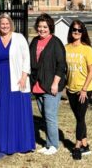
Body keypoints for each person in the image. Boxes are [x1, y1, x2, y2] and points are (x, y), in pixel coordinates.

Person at [0, 13, 33, 156]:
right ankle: (4, 145)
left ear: (11, 24)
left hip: (17, 80)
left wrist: (23, 77)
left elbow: (26, 58)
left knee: (18, 111)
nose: (4, 26)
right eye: (2, 24)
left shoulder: (19, 38)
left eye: (7, 23)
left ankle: (22, 144)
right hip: (1, 81)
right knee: (3, 112)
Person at [30, 12, 67, 156]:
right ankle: (48, 143)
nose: (42, 29)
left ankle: (54, 145)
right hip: (38, 85)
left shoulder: (55, 42)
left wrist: (55, 83)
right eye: (39, 27)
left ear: (50, 27)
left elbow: (61, 65)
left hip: (51, 85)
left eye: (45, 27)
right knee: (44, 116)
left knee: (50, 115)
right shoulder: (34, 41)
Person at [65, 19, 92, 159]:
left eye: (79, 30)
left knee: (80, 118)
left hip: (84, 90)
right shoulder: (66, 48)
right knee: (79, 117)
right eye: (74, 30)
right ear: (71, 31)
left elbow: (91, 71)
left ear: (83, 32)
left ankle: (77, 146)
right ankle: (85, 144)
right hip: (70, 89)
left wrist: (84, 90)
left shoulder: (87, 49)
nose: (76, 32)